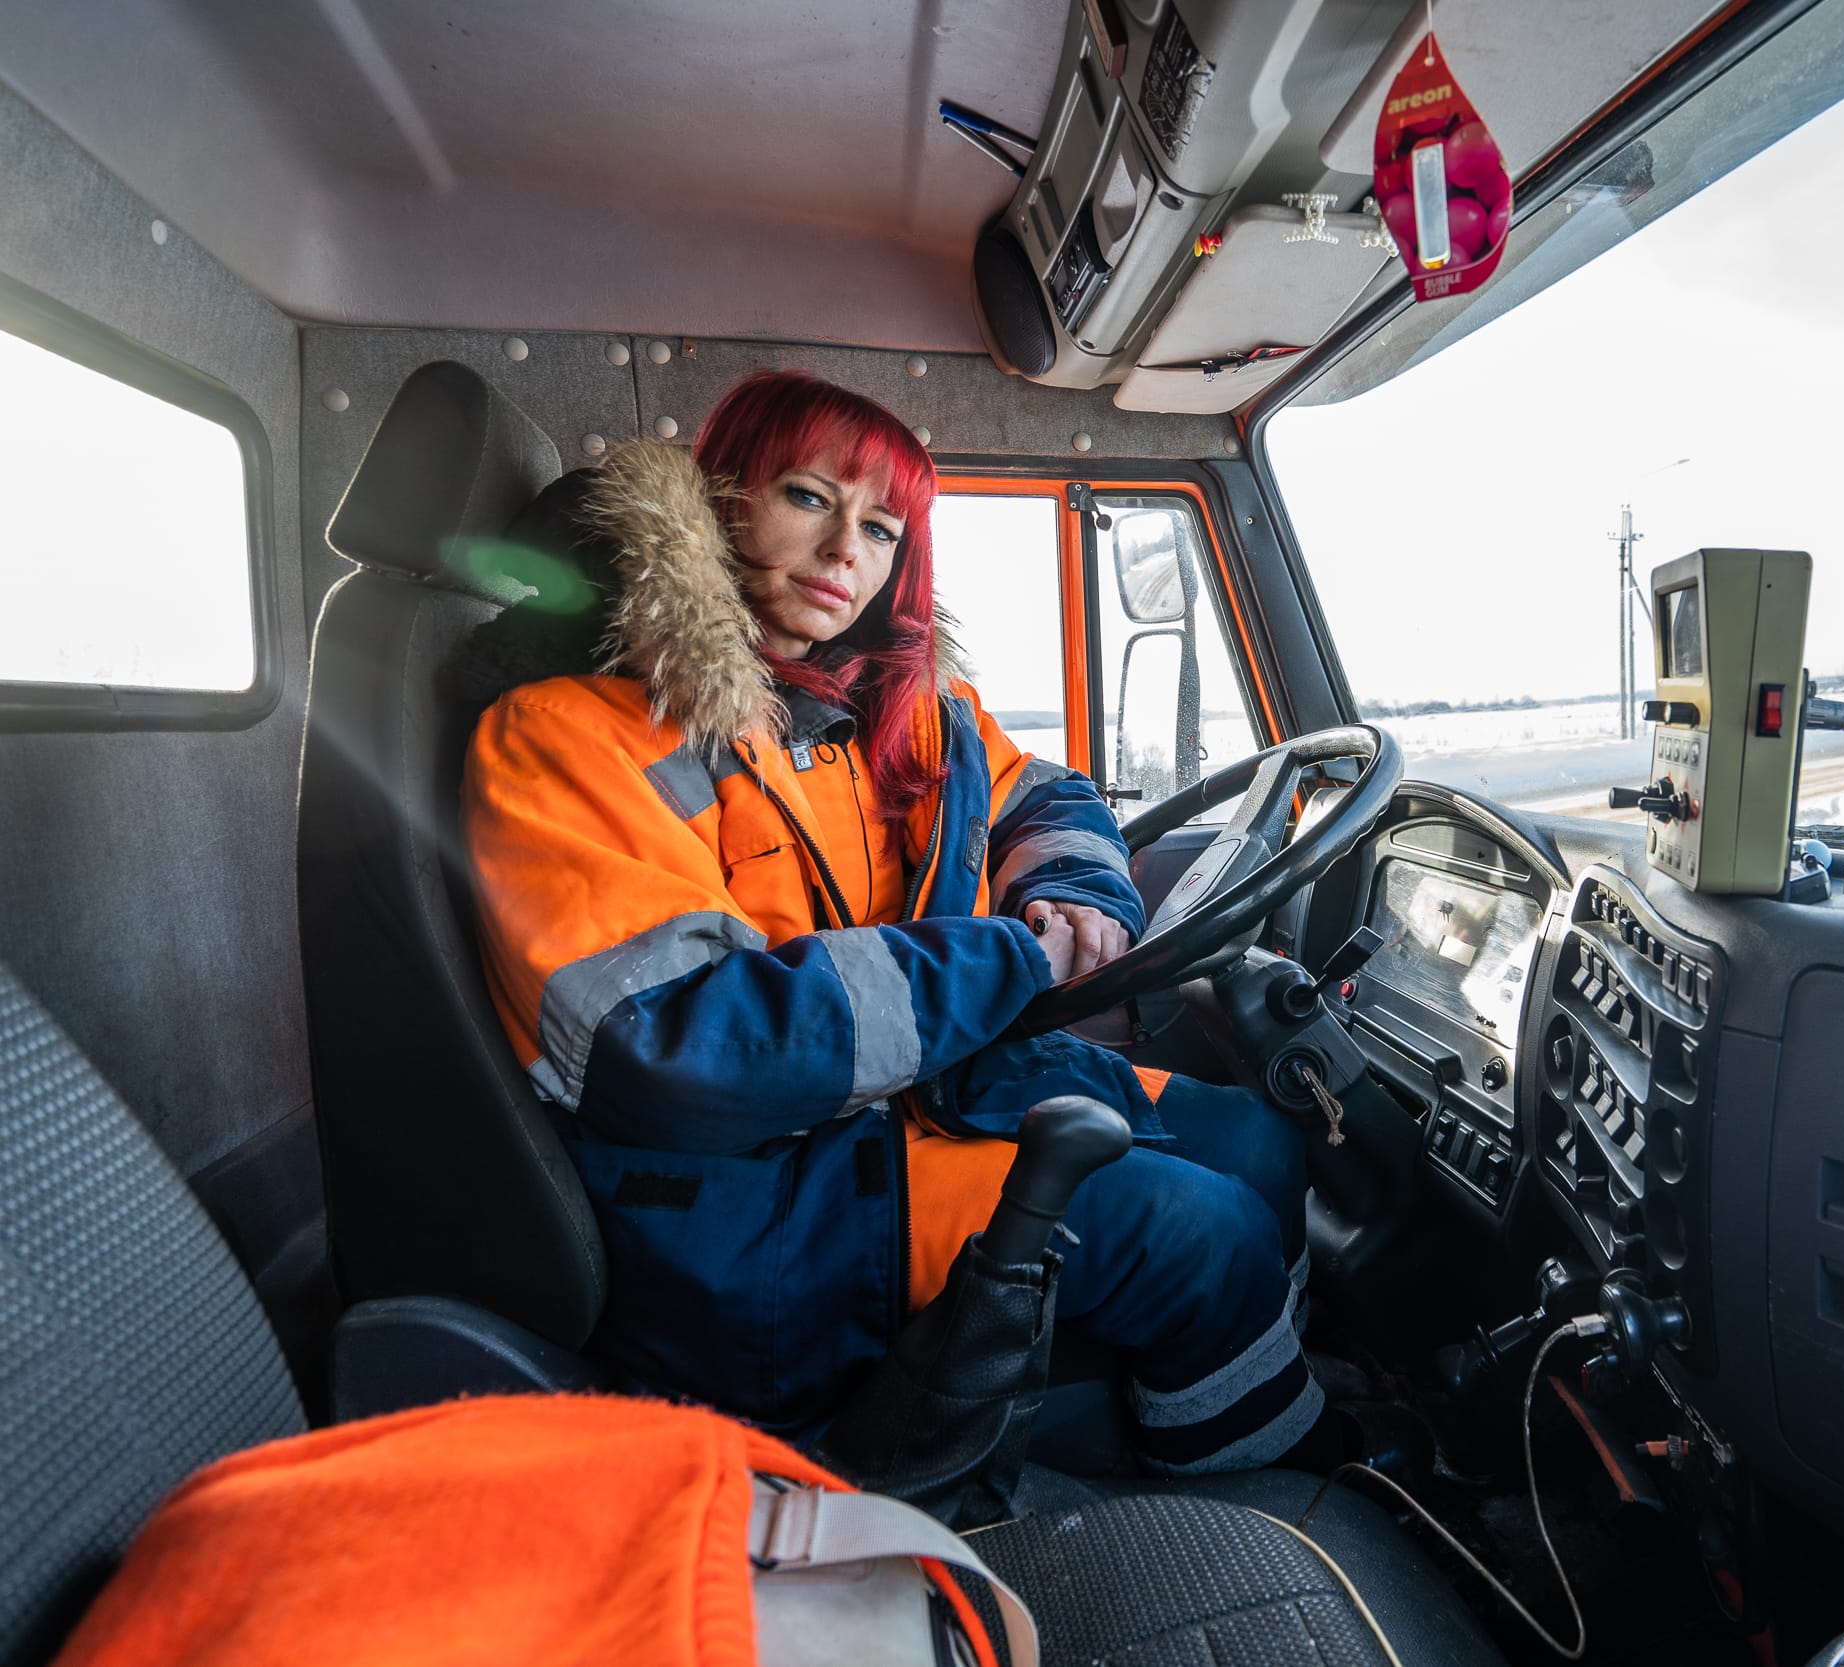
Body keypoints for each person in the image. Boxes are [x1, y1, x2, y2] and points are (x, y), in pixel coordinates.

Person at [461, 369, 1327, 1474]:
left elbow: (1040, 795)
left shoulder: (896, 712)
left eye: (880, 528)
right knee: (1199, 1233)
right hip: (765, 1192)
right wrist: (1008, 960)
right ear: (718, 499)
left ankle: (1255, 1391)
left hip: (931, 1097)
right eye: (809, 497)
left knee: (1261, 1139)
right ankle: (1271, 1482)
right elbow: (675, 1041)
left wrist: (1072, 891)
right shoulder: (561, 736)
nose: (844, 553)